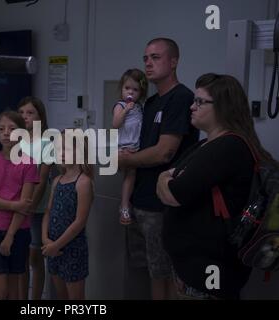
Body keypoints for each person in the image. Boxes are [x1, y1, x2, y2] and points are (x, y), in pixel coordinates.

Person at [157, 73, 278, 299]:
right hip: (195, 269)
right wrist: (166, 180)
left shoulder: (229, 147)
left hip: (211, 272)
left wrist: (163, 179)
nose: (192, 107)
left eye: (200, 101)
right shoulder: (207, 144)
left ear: (223, 107)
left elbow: (174, 193)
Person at [118, 38, 199, 300]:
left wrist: (123, 161)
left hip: (162, 206)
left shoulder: (182, 98)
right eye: (145, 59)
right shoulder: (149, 103)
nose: (148, 63)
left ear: (173, 62)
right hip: (139, 202)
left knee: (166, 275)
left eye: (155, 57)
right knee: (149, 274)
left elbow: (165, 151)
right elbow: (138, 148)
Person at [0, 111, 39, 300]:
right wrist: (14, 205)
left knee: (14, 289)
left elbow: (26, 204)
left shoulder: (29, 164)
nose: (6, 133)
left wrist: (10, 236)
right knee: (0, 290)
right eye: (1, 129)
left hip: (18, 231)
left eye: (12, 129)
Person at [41, 131, 94, 300]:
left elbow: (79, 222)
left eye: (67, 149)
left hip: (72, 249)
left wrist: (57, 245)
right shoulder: (57, 180)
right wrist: (45, 239)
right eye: (58, 149)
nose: (61, 153)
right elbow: (48, 212)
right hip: (52, 248)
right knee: (60, 295)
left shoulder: (83, 182)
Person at [17, 96, 55, 300]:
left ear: (40, 116)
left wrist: (29, 207)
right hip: (17, 207)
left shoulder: (46, 142)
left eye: (30, 113)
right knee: (21, 257)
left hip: (38, 209)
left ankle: (36, 300)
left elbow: (41, 180)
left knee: (35, 258)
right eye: (22, 113)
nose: (25, 117)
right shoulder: (17, 141)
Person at [112, 68, 147, 225]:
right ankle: (124, 206)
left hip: (136, 146)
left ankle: (127, 204)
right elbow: (115, 124)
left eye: (135, 89)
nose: (130, 93)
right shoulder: (120, 105)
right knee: (130, 175)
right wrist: (126, 110)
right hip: (124, 146)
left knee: (133, 176)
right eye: (127, 88)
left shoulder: (140, 106)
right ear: (121, 89)